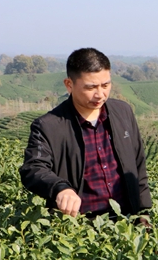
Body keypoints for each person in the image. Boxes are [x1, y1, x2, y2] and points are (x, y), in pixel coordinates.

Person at [20, 48, 151, 217]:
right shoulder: (48, 126)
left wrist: (144, 212)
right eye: (91, 87)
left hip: (126, 221)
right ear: (69, 85)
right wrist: (60, 188)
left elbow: (138, 166)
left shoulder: (123, 112)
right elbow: (33, 168)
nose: (100, 94)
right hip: (80, 226)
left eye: (105, 85)